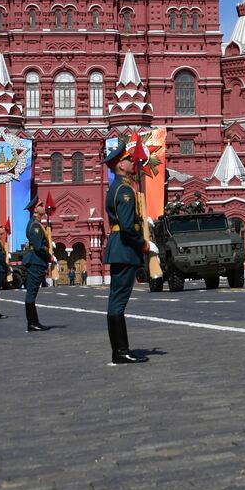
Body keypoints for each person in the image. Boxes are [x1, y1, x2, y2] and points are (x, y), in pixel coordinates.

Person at [103, 142, 148, 365]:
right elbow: (128, 226)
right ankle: (120, 351)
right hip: (124, 247)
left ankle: (120, 350)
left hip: (119, 246)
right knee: (118, 302)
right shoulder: (124, 191)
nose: (133, 162)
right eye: (129, 159)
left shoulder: (118, 188)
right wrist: (143, 243)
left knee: (116, 301)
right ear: (120, 165)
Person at [22, 188, 52, 332]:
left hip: (37, 261)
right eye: (40, 204)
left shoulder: (37, 225)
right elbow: (40, 247)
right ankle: (32, 323)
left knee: (32, 292)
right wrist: (49, 256)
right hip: (36, 261)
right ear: (35, 209)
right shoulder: (35, 226)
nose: (43, 206)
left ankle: (34, 322)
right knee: (31, 292)